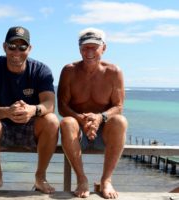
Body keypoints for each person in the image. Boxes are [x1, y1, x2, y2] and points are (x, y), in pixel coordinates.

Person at [0, 26, 59, 194]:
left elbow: (49, 104)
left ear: (29, 48)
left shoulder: (41, 70)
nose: (17, 51)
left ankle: (40, 177)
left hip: (32, 128)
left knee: (51, 120)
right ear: (4, 47)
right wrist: (7, 111)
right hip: (3, 127)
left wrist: (31, 110)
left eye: (22, 47)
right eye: (12, 46)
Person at [57, 28, 128, 199]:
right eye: (85, 47)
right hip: (78, 132)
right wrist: (81, 119)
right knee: (66, 122)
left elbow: (118, 106)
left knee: (120, 121)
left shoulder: (113, 72)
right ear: (79, 48)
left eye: (94, 47)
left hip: (104, 133)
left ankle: (106, 180)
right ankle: (82, 179)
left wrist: (99, 117)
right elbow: (62, 106)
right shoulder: (69, 71)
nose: (89, 52)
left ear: (104, 48)